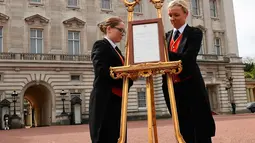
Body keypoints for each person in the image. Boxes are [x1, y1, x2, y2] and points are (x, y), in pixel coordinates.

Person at [162, 0, 216, 142]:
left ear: (186, 14)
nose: (172, 19)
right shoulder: (165, 36)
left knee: (199, 130)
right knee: (182, 129)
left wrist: (162, 53)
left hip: (191, 88)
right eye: (170, 15)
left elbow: (188, 58)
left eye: (176, 15)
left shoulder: (194, 33)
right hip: (173, 89)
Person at [89, 17, 133, 143]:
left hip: (117, 99)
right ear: (109, 29)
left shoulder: (117, 50)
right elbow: (101, 70)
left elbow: (123, 76)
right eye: (120, 30)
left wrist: (130, 77)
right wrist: (124, 75)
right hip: (105, 99)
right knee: (106, 136)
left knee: (118, 135)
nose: (122, 34)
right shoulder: (100, 45)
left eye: (123, 31)